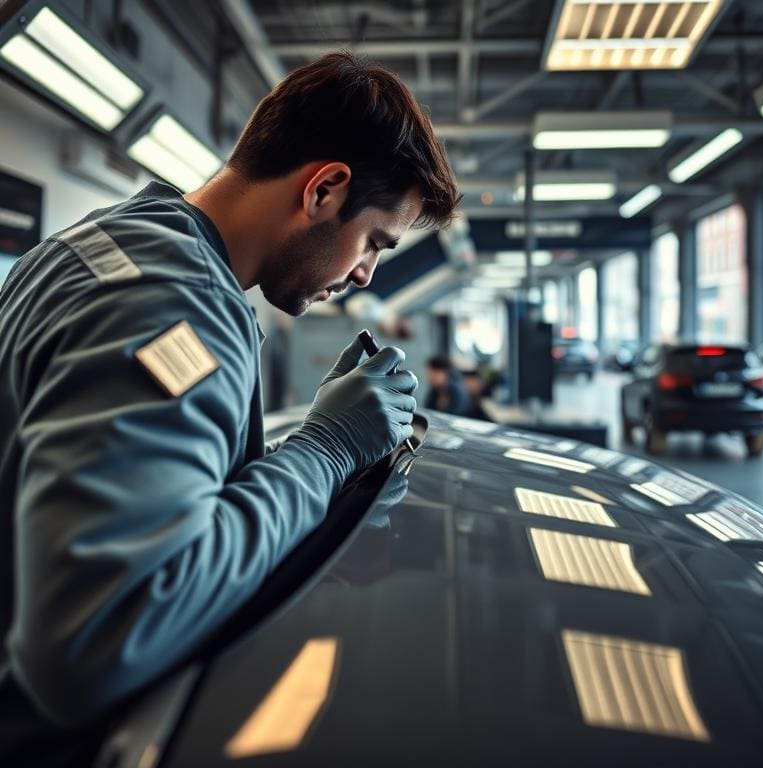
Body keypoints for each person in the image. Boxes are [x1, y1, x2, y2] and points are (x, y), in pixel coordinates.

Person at [0, 51, 459, 761]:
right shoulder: (168, 304)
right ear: (325, 190)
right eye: (372, 242)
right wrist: (326, 448)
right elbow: (98, 639)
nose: (365, 273)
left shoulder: (101, 245)